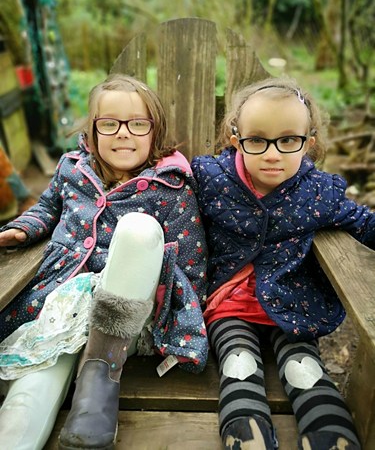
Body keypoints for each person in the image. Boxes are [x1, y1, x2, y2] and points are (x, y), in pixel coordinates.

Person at [0, 73, 208, 450]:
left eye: (137, 124)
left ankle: (98, 384)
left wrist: (179, 314)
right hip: (64, 307)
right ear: (93, 131)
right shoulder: (72, 169)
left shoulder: (172, 187)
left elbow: (193, 266)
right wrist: (25, 228)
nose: (123, 133)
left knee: (139, 230)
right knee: (27, 398)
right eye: (109, 124)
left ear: (154, 132)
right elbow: (48, 206)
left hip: (130, 315)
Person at [191, 76, 375, 450]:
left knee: (303, 368)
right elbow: (168, 197)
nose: (272, 154)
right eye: (257, 140)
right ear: (235, 138)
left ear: (308, 142)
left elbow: (364, 225)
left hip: (294, 305)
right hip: (229, 308)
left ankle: (330, 437)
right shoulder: (210, 179)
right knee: (237, 364)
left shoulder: (319, 192)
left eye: (287, 140)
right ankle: (248, 438)